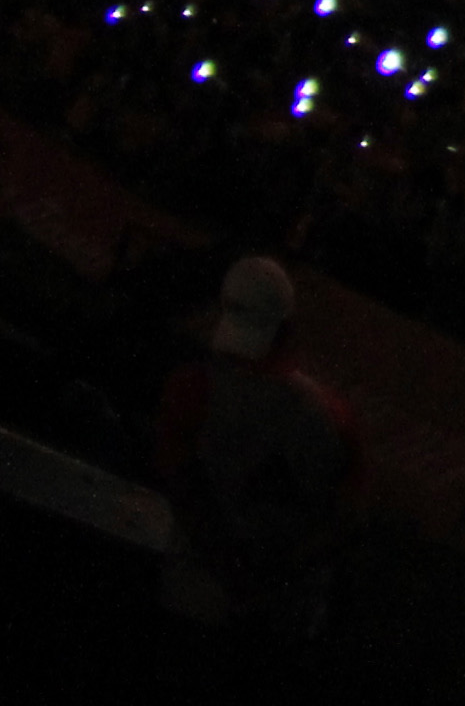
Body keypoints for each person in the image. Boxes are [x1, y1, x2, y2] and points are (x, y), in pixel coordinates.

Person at [155, 255, 362, 640]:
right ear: (288, 327)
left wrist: (235, 573)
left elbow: (181, 486)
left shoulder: (191, 390)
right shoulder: (336, 417)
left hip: (197, 603)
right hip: (284, 621)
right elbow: (347, 518)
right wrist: (278, 574)